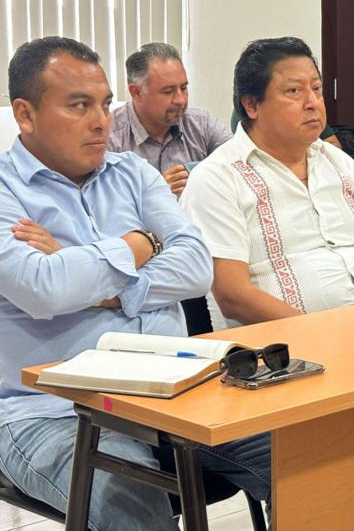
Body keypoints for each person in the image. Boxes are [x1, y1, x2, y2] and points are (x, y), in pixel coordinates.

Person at [0, 36, 271, 530]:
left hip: (180, 389)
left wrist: (93, 281)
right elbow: (43, 288)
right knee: (133, 509)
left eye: (105, 104)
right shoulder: (4, 190)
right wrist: (141, 243)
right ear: (25, 114)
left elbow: (196, 267)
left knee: (322, 462)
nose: (100, 121)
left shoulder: (132, 173)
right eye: (79, 106)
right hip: (56, 411)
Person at [180, 36, 354, 329]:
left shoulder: (340, 163)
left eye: (317, 89)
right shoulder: (218, 178)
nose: (313, 103)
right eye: (294, 91)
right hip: (284, 347)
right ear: (251, 105)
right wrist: (322, 336)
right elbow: (233, 296)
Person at [109, 42, 232, 196]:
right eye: (168, 91)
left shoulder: (201, 124)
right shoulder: (109, 137)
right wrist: (152, 192)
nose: (180, 100)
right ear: (136, 92)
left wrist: (202, 176)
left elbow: (241, 164)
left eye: (184, 88)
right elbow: (101, 203)